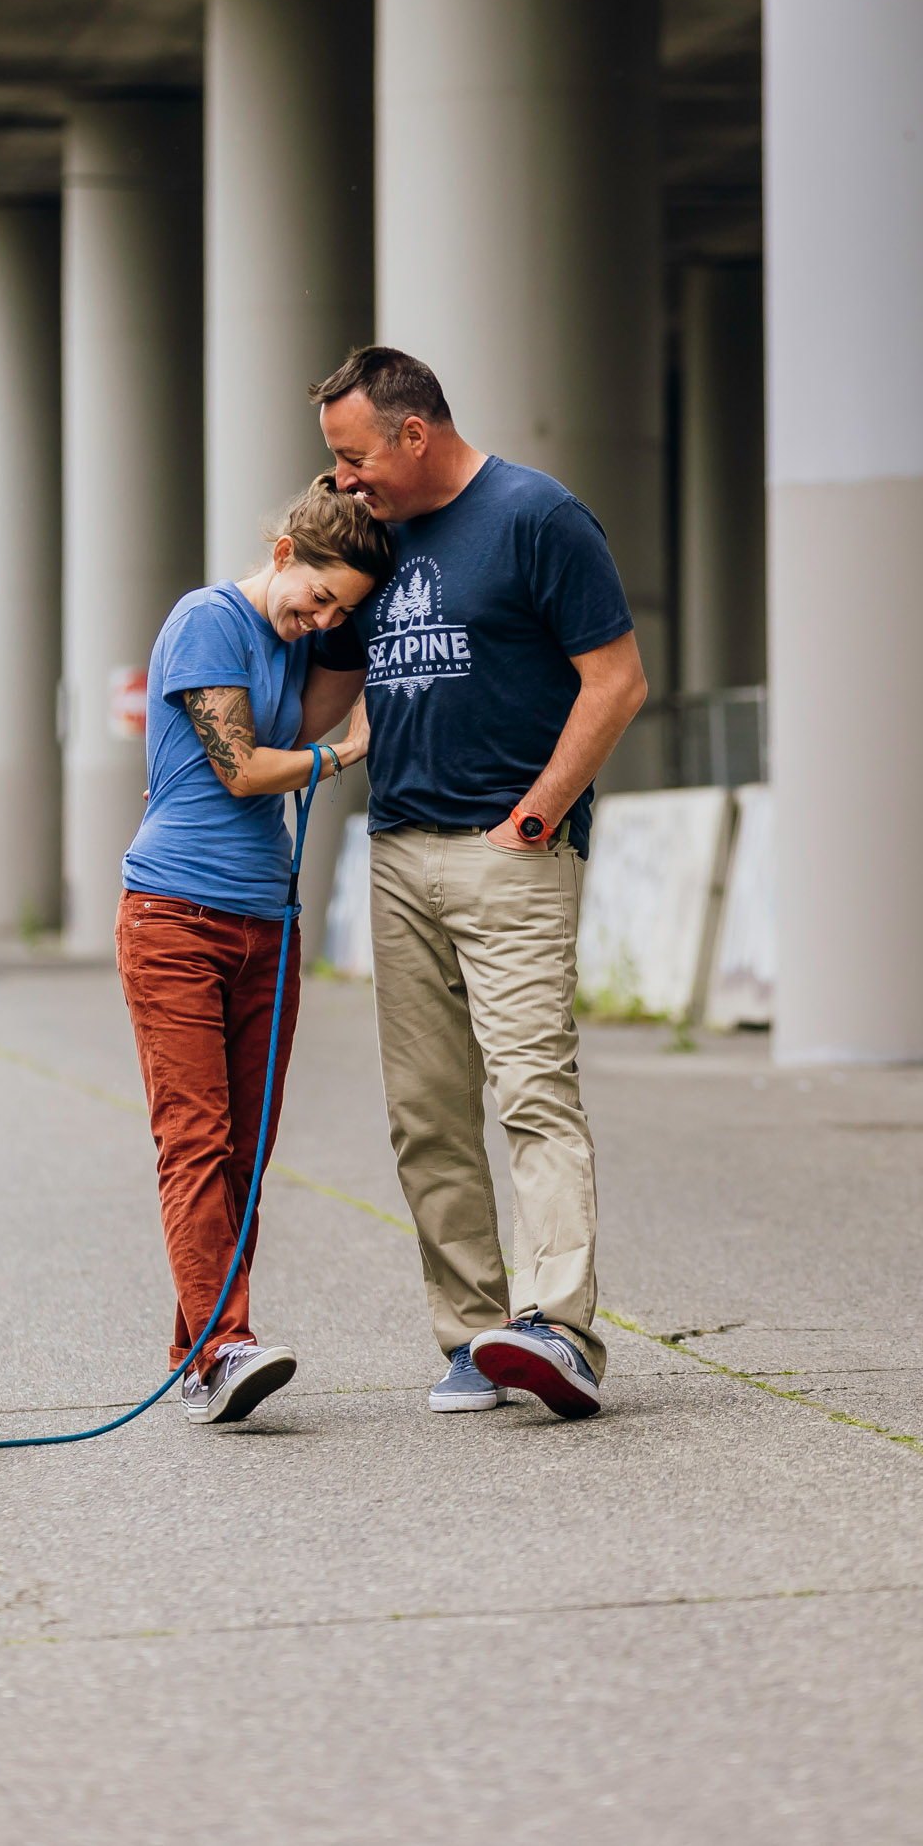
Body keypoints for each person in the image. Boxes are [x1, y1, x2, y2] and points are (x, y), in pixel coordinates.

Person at [310, 346, 648, 1421]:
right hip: (400, 851)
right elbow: (322, 698)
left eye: (352, 456)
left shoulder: (537, 516)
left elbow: (617, 679)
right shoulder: (373, 538)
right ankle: (471, 1337)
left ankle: (557, 1329)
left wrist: (533, 819)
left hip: (510, 853)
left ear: (414, 433)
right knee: (426, 1113)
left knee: (532, 1092)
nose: (342, 477)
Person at [117, 475, 394, 1426]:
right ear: (282, 554)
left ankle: (200, 1355)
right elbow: (243, 769)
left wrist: (356, 631)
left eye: (340, 611)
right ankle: (227, 1344)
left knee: (246, 1148)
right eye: (316, 595)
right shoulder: (207, 619)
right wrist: (342, 758)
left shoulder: (298, 642)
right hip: (174, 920)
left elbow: (317, 709)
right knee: (193, 1139)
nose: (319, 620)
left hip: (266, 926)